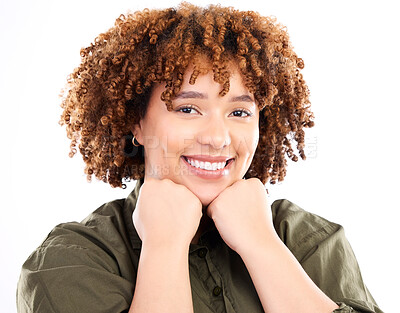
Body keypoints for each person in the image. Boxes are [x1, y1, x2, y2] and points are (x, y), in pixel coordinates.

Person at [17, 2, 383, 313]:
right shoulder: (71, 260)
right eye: (188, 108)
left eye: (239, 113)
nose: (217, 137)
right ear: (137, 123)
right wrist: (164, 248)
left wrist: (262, 246)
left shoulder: (306, 238)